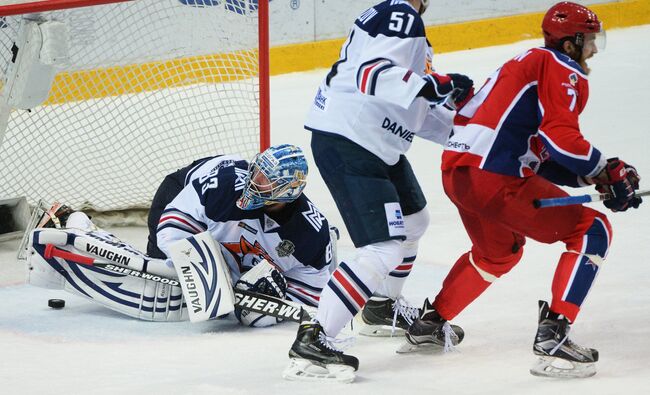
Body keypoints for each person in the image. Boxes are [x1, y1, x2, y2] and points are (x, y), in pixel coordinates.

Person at [402, 2, 642, 379]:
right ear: (570, 44)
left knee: (497, 253)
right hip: (494, 177)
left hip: (460, 174)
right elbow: (560, 137)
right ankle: (555, 339)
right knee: (592, 230)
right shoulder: (562, 68)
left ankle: (430, 325)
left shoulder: (525, 64)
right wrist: (605, 167)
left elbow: (542, 156)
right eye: (590, 41)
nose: (594, 50)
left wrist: (593, 178)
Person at [284, 0, 474, 382]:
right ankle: (315, 338)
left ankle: (381, 306)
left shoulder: (399, 22)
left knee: (414, 220)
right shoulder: (400, 14)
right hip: (352, 139)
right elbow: (372, 75)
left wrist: (473, 133)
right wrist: (433, 85)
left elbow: (414, 110)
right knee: (382, 248)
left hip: (374, 139)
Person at [26, 144, 336, 326]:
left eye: (265, 182)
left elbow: (315, 291)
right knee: (162, 275)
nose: (253, 183)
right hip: (178, 193)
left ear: (288, 192)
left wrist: (276, 295)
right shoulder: (226, 187)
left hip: (223, 239)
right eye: (255, 172)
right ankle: (75, 222)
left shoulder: (311, 233)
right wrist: (216, 272)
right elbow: (173, 226)